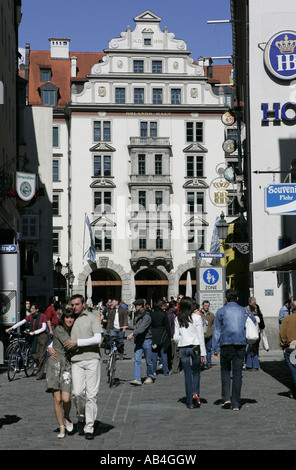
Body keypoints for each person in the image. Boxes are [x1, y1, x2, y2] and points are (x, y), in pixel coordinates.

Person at [63, 294, 103, 440]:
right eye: (72, 305)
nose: (74, 307)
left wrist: (77, 342)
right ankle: (81, 418)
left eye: (77, 304)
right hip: (76, 360)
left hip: (92, 359)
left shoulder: (92, 317)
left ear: (83, 304)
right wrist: (50, 347)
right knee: (78, 392)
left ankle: (89, 427)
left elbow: (98, 338)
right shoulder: (70, 318)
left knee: (91, 395)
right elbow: (60, 335)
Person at [212, 289, 257, 411]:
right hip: (240, 344)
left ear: (226, 299)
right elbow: (254, 321)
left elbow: (216, 331)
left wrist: (215, 349)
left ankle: (226, 398)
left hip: (226, 344)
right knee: (237, 373)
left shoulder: (221, 311)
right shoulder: (244, 310)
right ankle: (236, 403)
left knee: (225, 371)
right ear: (237, 298)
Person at [47, 308, 76, 438]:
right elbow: (70, 344)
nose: (69, 320)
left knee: (66, 398)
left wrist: (50, 346)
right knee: (57, 399)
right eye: (67, 317)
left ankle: (67, 416)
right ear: (63, 319)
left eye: (72, 317)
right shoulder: (60, 329)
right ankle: (61, 427)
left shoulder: (75, 329)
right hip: (55, 364)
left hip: (67, 365)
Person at [173, 297, 206, 409]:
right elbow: (200, 335)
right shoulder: (196, 317)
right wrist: (203, 353)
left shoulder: (177, 319)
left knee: (187, 374)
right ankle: (195, 392)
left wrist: (179, 343)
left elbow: (176, 337)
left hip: (183, 347)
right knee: (196, 371)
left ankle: (189, 402)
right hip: (195, 347)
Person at [6, 303, 48, 380]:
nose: (31, 309)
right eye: (31, 308)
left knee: (41, 356)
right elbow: (22, 322)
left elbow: (44, 328)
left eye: (32, 308)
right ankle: (40, 367)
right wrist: (11, 328)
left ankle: (39, 374)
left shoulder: (42, 316)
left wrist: (34, 332)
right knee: (34, 355)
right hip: (33, 337)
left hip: (42, 337)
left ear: (37, 310)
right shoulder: (30, 316)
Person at [127, 299, 154, 386]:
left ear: (141, 306)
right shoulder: (136, 315)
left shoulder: (147, 316)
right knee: (137, 360)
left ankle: (150, 376)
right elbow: (136, 327)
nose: (135, 307)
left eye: (137, 305)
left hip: (146, 339)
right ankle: (137, 378)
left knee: (148, 360)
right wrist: (127, 327)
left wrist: (133, 334)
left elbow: (142, 328)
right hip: (138, 340)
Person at [150, 300, 171, 376]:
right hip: (163, 333)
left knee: (154, 353)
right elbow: (167, 326)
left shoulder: (151, 314)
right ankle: (165, 370)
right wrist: (170, 335)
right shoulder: (163, 314)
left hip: (154, 333)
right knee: (164, 353)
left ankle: (153, 370)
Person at [279, 304, 296, 398]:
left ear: (292, 308)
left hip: (292, 348)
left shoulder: (287, 319)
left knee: (294, 370)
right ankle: (292, 391)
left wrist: (283, 345)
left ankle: (293, 391)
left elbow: (282, 334)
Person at [245, 298, 265, 370]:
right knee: (254, 350)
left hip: (250, 335)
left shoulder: (249, 316)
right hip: (255, 334)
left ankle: (250, 365)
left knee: (250, 350)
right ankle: (254, 365)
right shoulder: (257, 317)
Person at [200, 300, 215, 368]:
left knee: (209, 349)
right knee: (201, 350)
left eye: (208, 306)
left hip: (209, 335)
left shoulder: (211, 315)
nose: (207, 307)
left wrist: (211, 330)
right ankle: (202, 362)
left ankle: (209, 362)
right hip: (201, 335)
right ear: (202, 305)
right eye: (205, 306)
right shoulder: (199, 313)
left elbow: (213, 324)